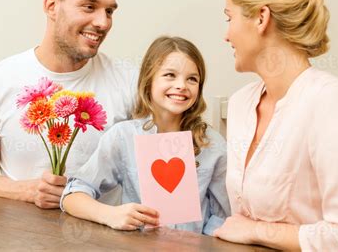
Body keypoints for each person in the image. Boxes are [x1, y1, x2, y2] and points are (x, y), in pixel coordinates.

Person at [213, 0, 338, 250]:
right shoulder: (241, 104)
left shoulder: (330, 101)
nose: (226, 35)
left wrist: (255, 231)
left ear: (261, 18)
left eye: (230, 18)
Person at [0, 0, 138, 209]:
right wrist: (29, 191)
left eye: (109, 11)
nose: (103, 22)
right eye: (89, 7)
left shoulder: (132, 81)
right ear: (52, 6)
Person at [60, 36, 230, 235]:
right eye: (170, 75)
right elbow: (72, 195)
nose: (181, 85)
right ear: (148, 81)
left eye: (192, 79)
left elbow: (223, 216)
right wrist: (110, 214)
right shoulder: (123, 137)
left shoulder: (212, 144)